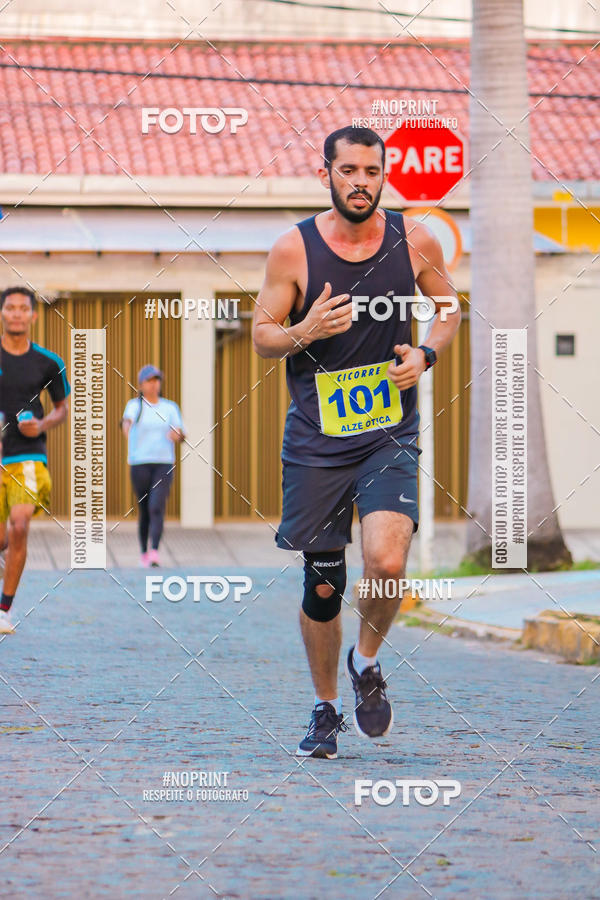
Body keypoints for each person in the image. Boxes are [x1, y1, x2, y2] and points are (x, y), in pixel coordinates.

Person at [252, 126, 461, 758]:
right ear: (326, 175)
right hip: (317, 441)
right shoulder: (293, 249)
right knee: (323, 587)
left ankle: (365, 660)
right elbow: (262, 334)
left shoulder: (414, 239)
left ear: (383, 175)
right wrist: (306, 330)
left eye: (372, 171)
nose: (361, 182)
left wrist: (426, 354)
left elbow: (450, 307)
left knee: (388, 562)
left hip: (387, 433)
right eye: (349, 171)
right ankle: (325, 709)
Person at [0, 286, 70, 634]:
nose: (16, 313)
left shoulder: (49, 362)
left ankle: (3, 610)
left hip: (27, 456)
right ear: (2, 313)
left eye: (22, 308)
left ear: (33, 315)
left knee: (20, 525)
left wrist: (41, 425)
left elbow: (62, 409)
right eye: (10, 308)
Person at [121, 365, 185, 567]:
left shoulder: (170, 407)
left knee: (156, 506)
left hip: (163, 463)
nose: (154, 384)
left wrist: (177, 435)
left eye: (156, 380)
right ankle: (144, 552)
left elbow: (181, 432)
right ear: (141, 384)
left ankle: (155, 551)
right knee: (145, 509)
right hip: (139, 463)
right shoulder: (134, 406)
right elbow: (127, 421)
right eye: (149, 380)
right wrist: (126, 428)